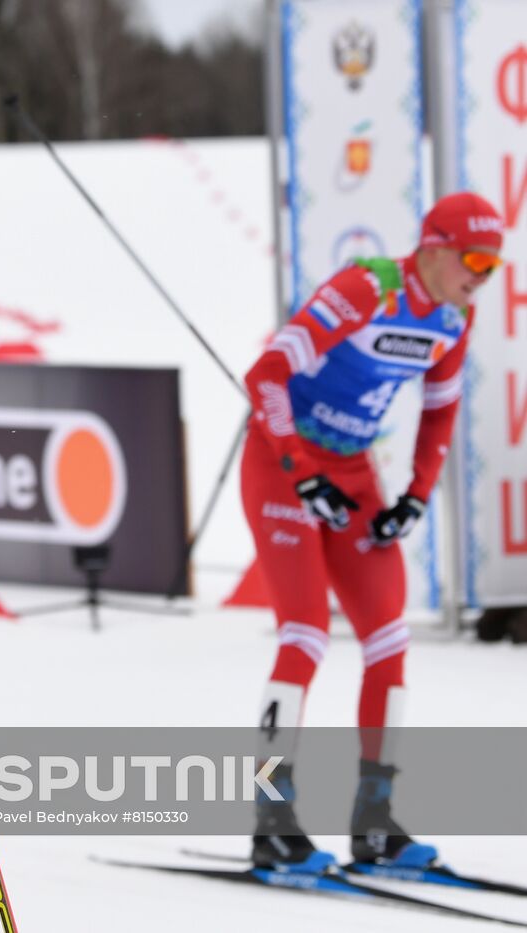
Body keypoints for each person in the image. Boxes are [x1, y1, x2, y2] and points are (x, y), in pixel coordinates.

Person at [240, 191, 504, 872]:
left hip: (354, 473)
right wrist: (300, 470)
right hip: (283, 462)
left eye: (494, 264)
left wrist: (414, 496)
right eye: (475, 258)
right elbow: (266, 371)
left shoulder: (455, 315)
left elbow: (440, 415)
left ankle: (375, 820)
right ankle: (271, 814)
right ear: (436, 247)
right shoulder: (366, 288)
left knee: (388, 636)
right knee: (304, 631)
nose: (482, 274)